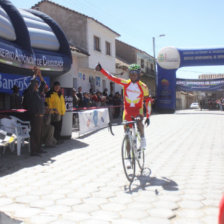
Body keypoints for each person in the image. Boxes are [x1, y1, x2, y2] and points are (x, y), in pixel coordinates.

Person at [96, 63, 152, 148]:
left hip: (138, 109)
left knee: (139, 121)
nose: (133, 75)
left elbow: (147, 101)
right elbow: (112, 78)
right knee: (127, 135)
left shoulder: (144, 86)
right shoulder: (125, 83)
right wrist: (101, 69)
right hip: (127, 110)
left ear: (138, 74)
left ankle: (143, 139)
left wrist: (148, 116)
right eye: (131, 73)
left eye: (135, 74)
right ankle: (129, 158)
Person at [24, 66, 46, 156]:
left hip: (41, 116)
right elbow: (32, 83)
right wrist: (35, 75)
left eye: (37, 84)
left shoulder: (38, 93)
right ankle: (33, 151)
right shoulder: (30, 92)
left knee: (39, 134)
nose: (37, 85)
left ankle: (39, 148)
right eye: (35, 84)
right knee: (34, 134)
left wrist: (40, 75)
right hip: (35, 116)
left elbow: (43, 84)